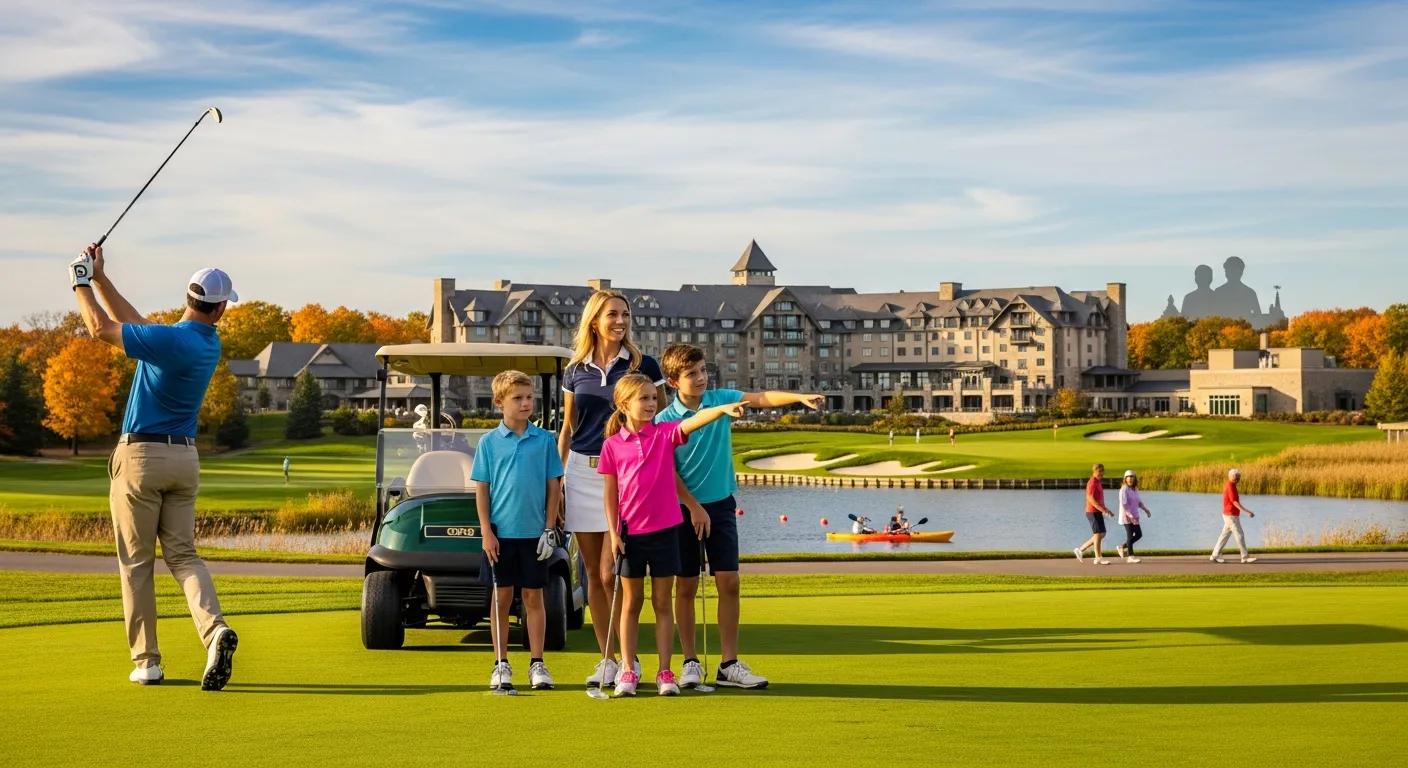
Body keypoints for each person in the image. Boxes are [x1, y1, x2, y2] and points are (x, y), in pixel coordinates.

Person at [68, 243, 238, 690]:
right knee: (183, 556)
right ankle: (215, 630)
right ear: (219, 309)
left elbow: (101, 328)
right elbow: (135, 326)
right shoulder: (204, 342)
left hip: (141, 460)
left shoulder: (169, 339)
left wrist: (79, 281)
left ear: (188, 298)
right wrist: (101, 279)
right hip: (184, 460)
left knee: (137, 562)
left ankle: (147, 662)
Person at [656, 343, 822, 690]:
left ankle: (728, 664)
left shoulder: (722, 398)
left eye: (703, 371)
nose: (700, 378)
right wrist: (693, 506)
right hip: (683, 508)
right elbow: (667, 474)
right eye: (691, 374)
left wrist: (798, 397)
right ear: (673, 381)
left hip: (721, 504)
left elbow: (760, 398)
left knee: (729, 582)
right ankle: (689, 662)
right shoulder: (664, 421)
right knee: (685, 586)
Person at [598, 373, 745, 696]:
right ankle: (627, 671)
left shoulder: (665, 433)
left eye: (654, 398)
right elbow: (611, 494)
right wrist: (613, 533)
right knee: (631, 604)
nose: (652, 404)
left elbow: (695, 421)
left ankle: (665, 672)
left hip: (666, 532)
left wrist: (721, 410)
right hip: (630, 534)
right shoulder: (612, 446)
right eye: (644, 399)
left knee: (663, 602)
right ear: (624, 404)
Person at [557, 288, 672, 690]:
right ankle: (609, 659)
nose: (620, 321)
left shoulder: (644, 364)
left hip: (628, 477)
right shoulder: (575, 370)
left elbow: (659, 420)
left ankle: (628, 657)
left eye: (625, 314)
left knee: (612, 574)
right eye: (612, 315)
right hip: (582, 473)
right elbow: (568, 429)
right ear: (595, 320)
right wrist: (559, 482)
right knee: (592, 573)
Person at [472, 370, 565, 692]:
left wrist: (549, 528)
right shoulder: (489, 443)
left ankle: (537, 663)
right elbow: (482, 489)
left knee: (533, 597)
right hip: (500, 534)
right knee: (501, 597)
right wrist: (486, 531)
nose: (527, 403)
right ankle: (501, 664)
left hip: (534, 534)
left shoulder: (544, 440)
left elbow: (554, 487)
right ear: (500, 402)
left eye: (530, 398)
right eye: (518, 398)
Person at [1211, 468, 1258, 564]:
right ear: (1231, 477)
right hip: (1231, 515)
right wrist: (1247, 511)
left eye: (1239, 477)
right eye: (1237, 477)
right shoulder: (1230, 486)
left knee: (1224, 535)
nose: (1238, 479)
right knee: (1239, 535)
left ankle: (1215, 555)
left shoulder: (1231, 485)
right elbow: (1234, 502)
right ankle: (1244, 557)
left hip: (1229, 514)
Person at [1073, 463, 1114, 565]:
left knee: (1102, 534)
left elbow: (1100, 499)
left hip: (1098, 511)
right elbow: (1091, 499)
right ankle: (1098, 557)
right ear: (1094, 471)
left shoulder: (1098, 482)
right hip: (1092, 512)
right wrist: (1102, 509)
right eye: (1099, 471)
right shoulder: (1092, 482)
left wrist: (1106, 509)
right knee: (1097, 534)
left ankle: (1080, 550)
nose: (1101, 473)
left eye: (1102, 471)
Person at [1116, 470, 1152, 564]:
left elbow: (1138, 502)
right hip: (1126, 517)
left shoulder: (1135, 489)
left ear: (1134, 478)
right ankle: (1130, 556)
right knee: (1130, 535)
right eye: (1128, 477)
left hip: (1135, 516)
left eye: (1132, 477)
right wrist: (1130, 516)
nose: (1130, 479)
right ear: (1125, 478)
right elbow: (1124, 505)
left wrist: (1146, 510)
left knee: (1139, 534)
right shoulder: (1123, 490)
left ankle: (1122, 547)